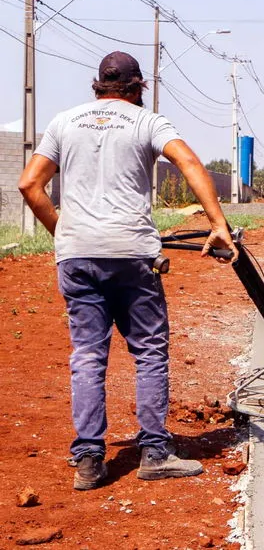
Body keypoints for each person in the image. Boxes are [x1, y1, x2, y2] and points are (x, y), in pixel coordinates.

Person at [18, 51, 239, 491]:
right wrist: (218, 224)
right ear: (138, 88)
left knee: (87, 355)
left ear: (97, 85)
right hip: (132, 254)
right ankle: (155, 453)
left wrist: (66, 234)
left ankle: (88, 460)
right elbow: (189, 163)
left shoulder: (64, 122)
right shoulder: (148, 122)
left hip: (77, 257)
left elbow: (29, 183)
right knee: (150, 352)